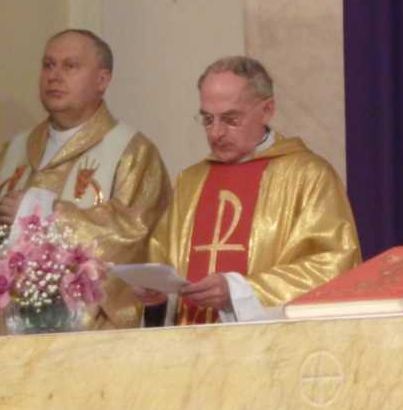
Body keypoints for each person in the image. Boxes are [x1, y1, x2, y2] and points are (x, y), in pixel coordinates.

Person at [0, 28, 172, 333]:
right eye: (48, 65)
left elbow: (135, 234)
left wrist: (40, 213)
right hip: (6, 340)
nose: (54, 76)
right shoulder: (12, 152)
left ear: (102, 80)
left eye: (70, 66)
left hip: (86, 341)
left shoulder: (132, 153)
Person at [143, 55, 361, 323]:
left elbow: (334, 266)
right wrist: (157, 297)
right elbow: (164, 265)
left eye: (230, 119)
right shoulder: (190, 182)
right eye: (208, 119)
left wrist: (238, 292)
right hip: (190, 342)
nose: (216, 133)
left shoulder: (309, 176)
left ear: (267, 110)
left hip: (268, 344)